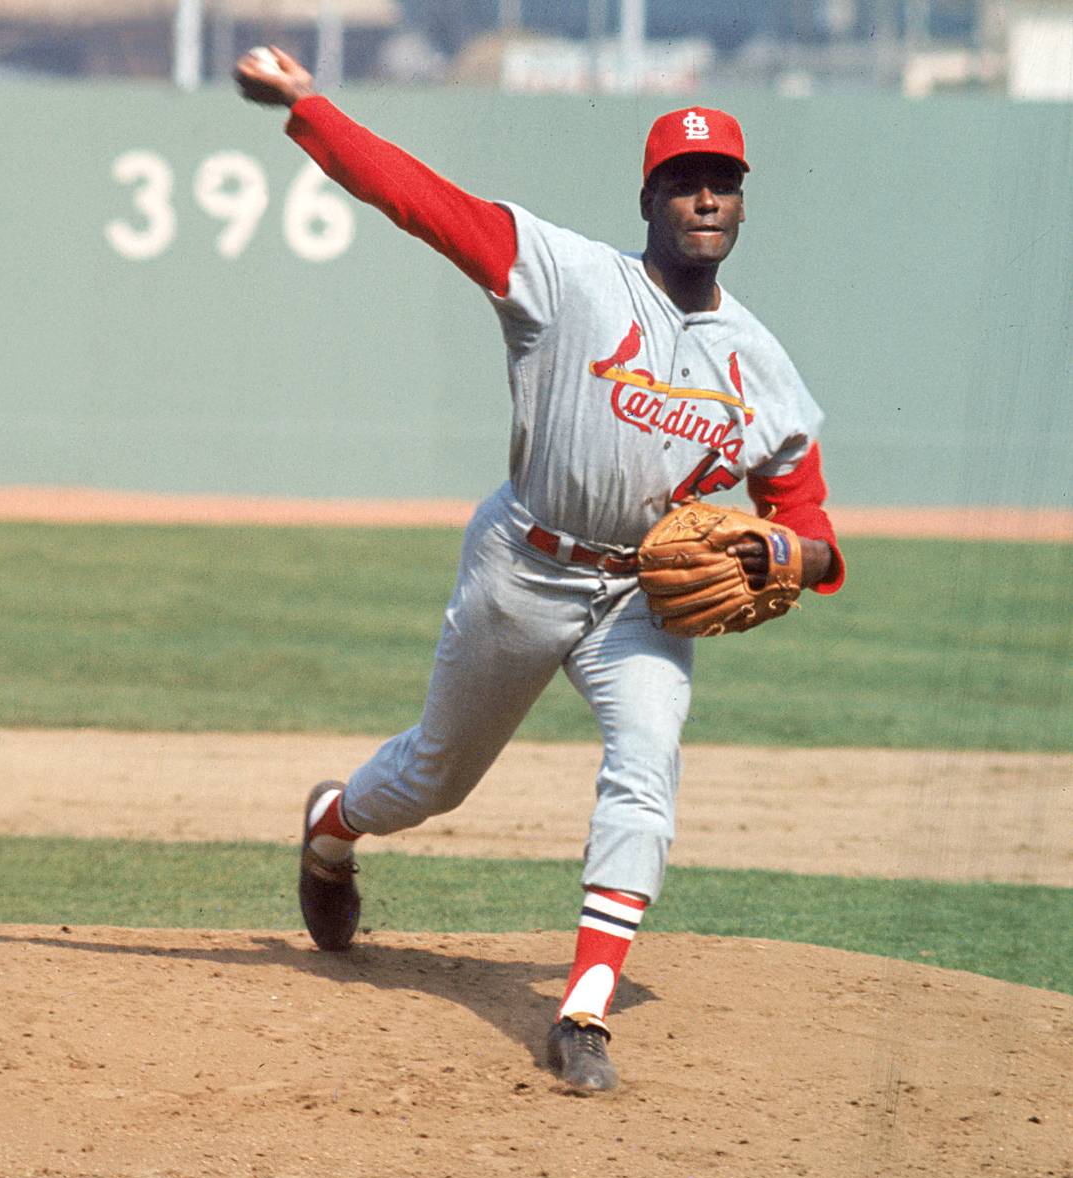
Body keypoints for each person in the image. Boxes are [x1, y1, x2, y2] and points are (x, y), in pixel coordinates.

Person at [235, 47, 845, 1093]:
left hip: (642, 604)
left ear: (740, 205)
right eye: (684, 180)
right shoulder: (564, 274)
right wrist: (307, 108)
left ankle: (583, 1012)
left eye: (723, 182)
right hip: (525, 565)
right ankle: (332, 827)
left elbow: (811, 522)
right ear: (647, 196)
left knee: (646, 769)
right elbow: (419, 203)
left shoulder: (761, 364)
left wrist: (785, 547)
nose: (705, 195)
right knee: (433, 777)